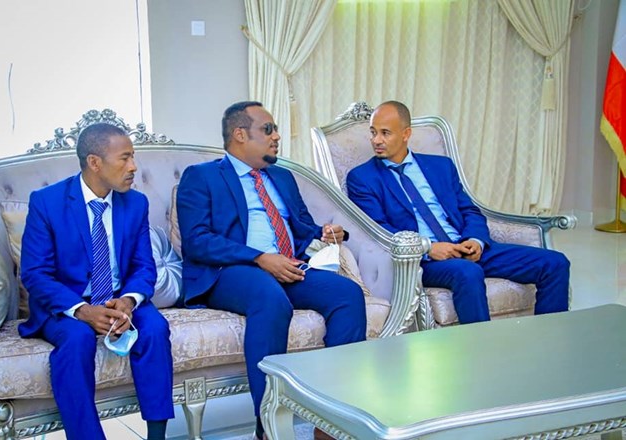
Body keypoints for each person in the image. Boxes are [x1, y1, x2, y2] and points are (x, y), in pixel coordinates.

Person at [176, 101, 366, 440]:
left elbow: (302, 227)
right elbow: (197, 241)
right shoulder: (202, 176)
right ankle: (268, 427)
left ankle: (332, 422)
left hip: (287, 266)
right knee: (269, 297)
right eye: (268, 129)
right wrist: (260, 258)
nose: (277, 136)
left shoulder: (281, 176)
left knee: (347, 293)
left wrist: (326, 233)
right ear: (240, 134)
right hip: (230, 271)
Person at [346, 101, 570, 324]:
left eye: (385, 133)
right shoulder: (362, 178)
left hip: (464, 246)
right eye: (373, 132)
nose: (376, 140)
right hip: (422, 261)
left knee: (555, 263)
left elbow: (469, 210)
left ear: (406, 134)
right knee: (468, 272)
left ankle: (547, 339)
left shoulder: (441, 166)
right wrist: (428, 248)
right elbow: (378, 230)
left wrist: (475, 240)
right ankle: (482, 345)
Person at [19, 123, 174, 440]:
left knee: (155, 328)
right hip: (66, 303)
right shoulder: (47, 202)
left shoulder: (136, 203)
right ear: (94, 162)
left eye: (133, 157)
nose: (133, 167)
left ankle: (158, 436)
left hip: (118, 297)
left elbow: (144, 266)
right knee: (77, 339)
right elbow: (35, 273)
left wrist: (129, 301)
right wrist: (82, 310)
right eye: (125, 158)